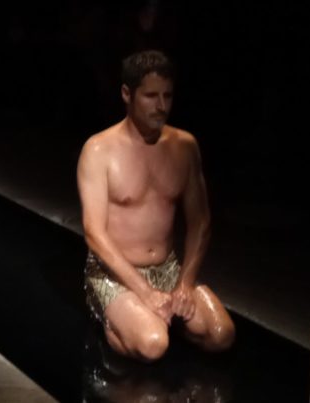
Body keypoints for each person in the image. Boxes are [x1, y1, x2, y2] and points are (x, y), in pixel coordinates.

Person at [77, 50, 235, 362]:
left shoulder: (185, 146)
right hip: (114, 274)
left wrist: (185, 284)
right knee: (153, 344)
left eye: (167, 96)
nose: (161, 106)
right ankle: (113, 319)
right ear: (127, 94)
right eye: (151, 96)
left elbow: (201, 222)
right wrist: (145, 292)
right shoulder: (98, 150)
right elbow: (94, 233)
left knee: (221, 334)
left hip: (168, 270)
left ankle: (158, 316)